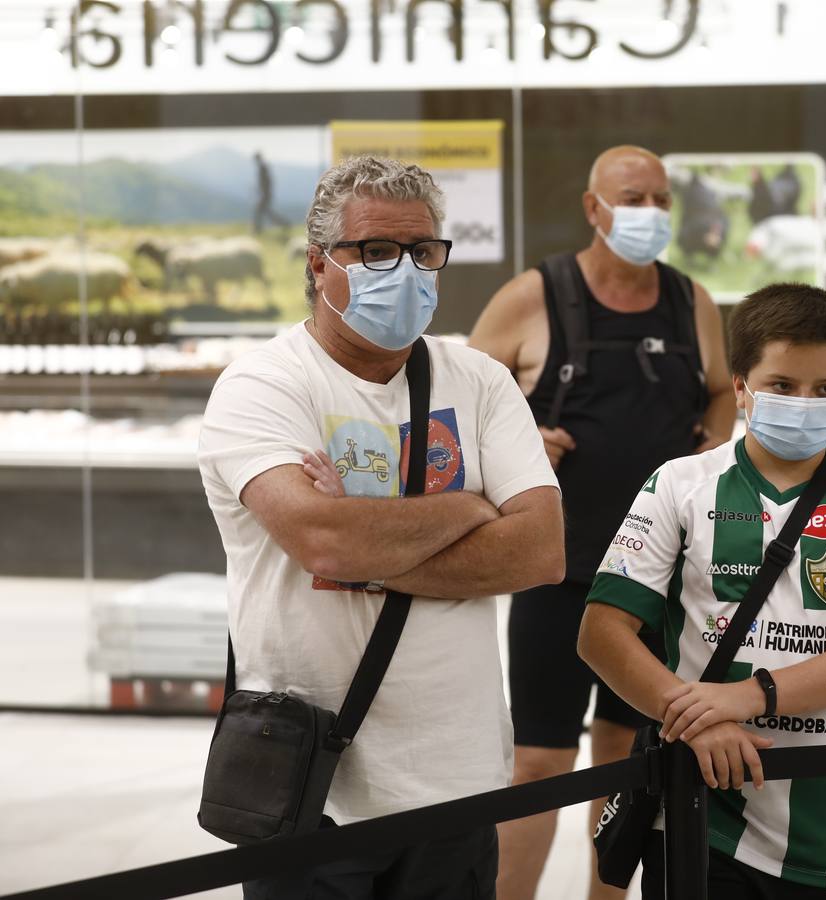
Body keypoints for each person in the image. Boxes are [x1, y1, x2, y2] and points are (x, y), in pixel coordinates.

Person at [198, 155, 564, 900]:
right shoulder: (263, 385)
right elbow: (323, 539)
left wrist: (364, 546)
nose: (404, 270)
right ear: (318, 263)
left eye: (422, 251)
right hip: (312, 788)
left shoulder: (479, 380)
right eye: (374, 251)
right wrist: (468, 508)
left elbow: (541, 549)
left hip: (458, 779)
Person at [578, 283, 826, 899]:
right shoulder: (679, 483)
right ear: (740, 387)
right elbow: (601, 632)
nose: (804, 403)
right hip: (697, 808)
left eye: (825, 389)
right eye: (781, 386)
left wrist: (747, 698)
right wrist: (691, 719)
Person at [469, 145, 735, 900]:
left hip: (659, 578)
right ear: (593, 208)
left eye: (660, 200)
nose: (649, 213)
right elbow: (460, 402)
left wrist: (715, 439)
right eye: (632, 198)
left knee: (626, 756)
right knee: (538, 761)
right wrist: (519, 437)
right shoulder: (535, 295)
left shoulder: (691, 301)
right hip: (556, 571)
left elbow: (720, 389)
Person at [252, 150, 288, 234]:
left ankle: (258, 230)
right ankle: (283, 223)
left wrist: (264, 192)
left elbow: (266, 181)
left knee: (261, 212)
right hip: (265, 194)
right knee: (266, 212)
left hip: (265, 194)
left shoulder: (262, 168)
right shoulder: (263, 167)